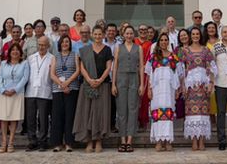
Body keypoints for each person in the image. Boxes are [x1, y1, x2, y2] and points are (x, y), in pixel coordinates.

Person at [74, 25, 113, 152]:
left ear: (103, 35)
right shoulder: (85, 50)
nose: (97, 37)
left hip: (103, 85)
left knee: (100, 112)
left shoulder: (107, 50)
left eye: (100, 34)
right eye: (95, 34)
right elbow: (82, 67)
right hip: (88, 84)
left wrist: (100, 80)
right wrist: (90, 80)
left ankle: (98, 140)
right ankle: (89, 141)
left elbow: (109, 67)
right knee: (87, 112)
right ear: (92, 35)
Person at [182, 27, 216, 150]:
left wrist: (211, 83)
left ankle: (201, 140)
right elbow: (181, 70)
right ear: (190, 36)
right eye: (193, 34)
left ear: (200, 35)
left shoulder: (206, 50)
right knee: (191, 113)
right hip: (190, 87)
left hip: (203, 86)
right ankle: (194, 140)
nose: (195, 36)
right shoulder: (185, 51)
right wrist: (183, 86)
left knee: (202, 113)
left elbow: (212, 67)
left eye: (197, 34)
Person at [146, 32, 181, 151]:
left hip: (169, 90)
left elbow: (177, 74)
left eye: (166, 40)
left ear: (168, 42)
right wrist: (149, 89)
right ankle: (159, 141)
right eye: (162, 40)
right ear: (158, 42)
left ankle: (167, 141)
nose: (164, 42)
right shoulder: (153, 56)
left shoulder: (173, 56)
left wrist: (177, 90)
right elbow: (149, 74)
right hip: (157, 90)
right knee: (157, 113)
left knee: (168, 113)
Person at [112, 24, 144, 152]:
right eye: (127, 33)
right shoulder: (118, 47)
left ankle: (130, 140)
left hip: (134, 79)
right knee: (121, 109)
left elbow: (141, 66)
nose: (129, 35)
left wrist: (142, 84)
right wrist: (113, 84)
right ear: (123, 35)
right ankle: (122, 140)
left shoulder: (139, 48)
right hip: (121, 78)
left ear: (134, 35)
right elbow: (115, 66)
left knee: (132, 108)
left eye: (131, 33)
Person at [50, 36, 79, 152]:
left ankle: (69, 143)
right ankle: (57, 143)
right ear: (60, 44)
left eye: (67, 42)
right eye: (63, 42)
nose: (65, 43)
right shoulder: (55, 56)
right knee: (57, 117)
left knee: (69, 116)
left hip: (72, 89)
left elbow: (78, 71)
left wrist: (67, 82)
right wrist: (62, 84)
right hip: (58, 90)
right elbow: (52, 74)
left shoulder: (75, 55)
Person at [25, 36, 53, 151]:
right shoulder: (31, 58)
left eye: (44, 45)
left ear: (48, 46)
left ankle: (43, 141)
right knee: (30, 118)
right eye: (40, 44)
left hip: (45, 92)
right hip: (31, 92)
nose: (41, 47)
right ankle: (32, 141)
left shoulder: (52, 58)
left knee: (43, 118)